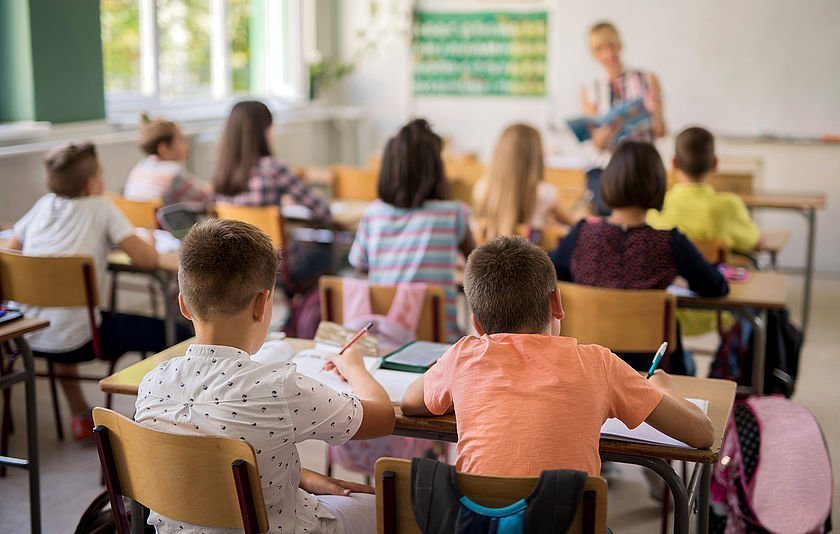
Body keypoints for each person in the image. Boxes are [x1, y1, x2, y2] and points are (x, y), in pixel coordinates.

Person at [135, 219, 395, 533]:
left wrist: (299, 476)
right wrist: (354, 367)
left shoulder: (152, 383)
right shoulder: (278, 387)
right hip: (281, 526)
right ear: (262, 304)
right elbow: (382, 418)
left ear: (184, 305)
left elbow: (202, 458)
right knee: (394, 509)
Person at [400, 235, 713, 477]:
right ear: (557, 304)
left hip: (480, 522)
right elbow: (702, 434)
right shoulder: (599, 364)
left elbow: (411, 403)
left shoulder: (463, 357)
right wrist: (660, 389)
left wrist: (462, 386)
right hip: (568, 522)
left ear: (476, 324)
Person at [7, 141, 178, 440]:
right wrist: (148, 239)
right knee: (176, 333)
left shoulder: (43, 205)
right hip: (84, 340)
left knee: (64, 318)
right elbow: (147, 260)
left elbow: (12, 250)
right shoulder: (101, 207)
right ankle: (162, 422)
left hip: (29, 334)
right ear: (91, 184)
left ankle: (79, 415)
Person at [549, 141, 728, 373]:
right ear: (658, 185)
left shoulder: (581, 235)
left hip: (589, 369)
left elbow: (552, 277)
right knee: (690, 364)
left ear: (608, 181)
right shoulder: (671, 243)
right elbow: (716, 287)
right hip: (651, 375)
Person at [349, 118, 475, 342]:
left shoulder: (373, 213)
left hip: (384, 335)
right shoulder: (453, 213)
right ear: (436, 170)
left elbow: (360, 265)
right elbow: (476, 265)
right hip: (437, 339)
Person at [580, 21, 666, 215]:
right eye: (600, 49)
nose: (608, 54)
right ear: (594, 54)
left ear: (620, 45)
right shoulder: (590, 89)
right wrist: (605, 134)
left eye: (611, 45)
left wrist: (655, 113)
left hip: (641, 165)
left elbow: (661, 131)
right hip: (607, 168)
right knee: (606, 217)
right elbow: (597, 144)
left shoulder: (648, 79)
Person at [212, 100, 332, 228]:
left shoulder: (220, 170)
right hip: (269, 247)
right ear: (262, 131)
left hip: (232, 247)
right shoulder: (273, 168)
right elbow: (322, 211)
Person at [647, 126, 760, 252]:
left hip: (672, 272)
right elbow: (753, 241)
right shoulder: (730, 206)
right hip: (715, 271)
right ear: (715, 163)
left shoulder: (658, 206)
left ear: (674, 163)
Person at [472, 123, 584, 243]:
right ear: (536, 155)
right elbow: (574, 222)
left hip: (489, 259)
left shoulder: (481, 188)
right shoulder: (545, 192)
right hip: (531, 260)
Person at [124, 114, 210, 205]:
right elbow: (205, 196)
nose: (187, 146)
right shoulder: (173, 172)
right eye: (181, 139)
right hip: (161, 218)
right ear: (163, 148)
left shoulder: (140, 167)